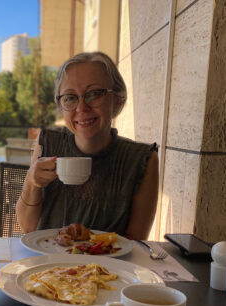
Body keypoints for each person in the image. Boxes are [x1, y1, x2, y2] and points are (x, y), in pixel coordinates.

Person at [16, 51, 159, 240]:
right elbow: (28, 228)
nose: (82, 108)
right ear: (61, 105)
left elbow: (135, 241)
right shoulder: (48, 142)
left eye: (94, 94)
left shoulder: (141, 159)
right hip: (45, 262)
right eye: (70, 97)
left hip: (108, 267)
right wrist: (31, 183)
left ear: (117, 101)